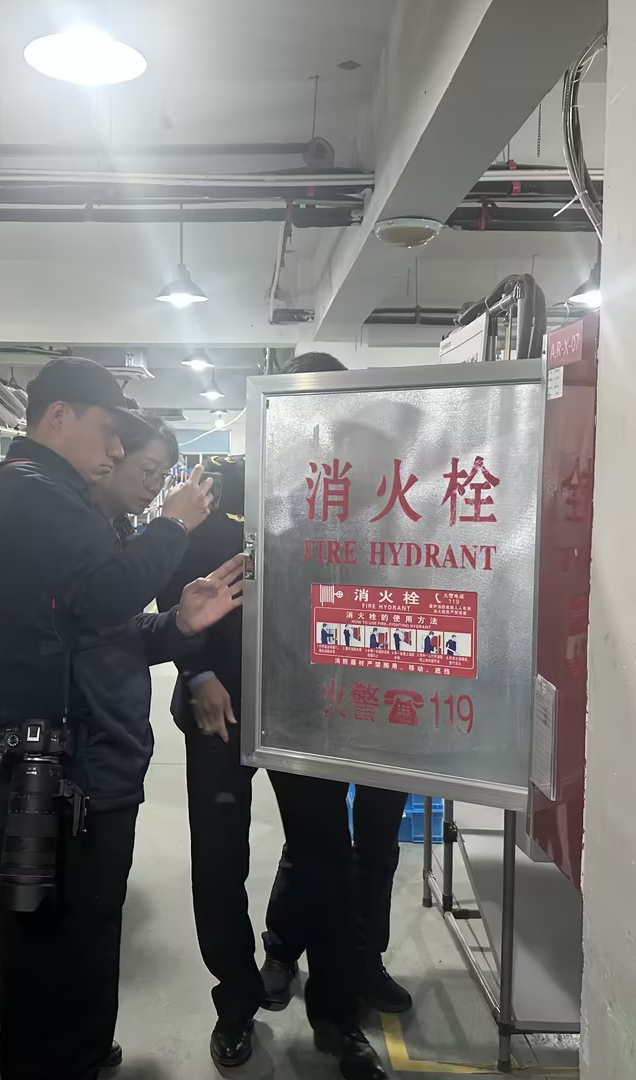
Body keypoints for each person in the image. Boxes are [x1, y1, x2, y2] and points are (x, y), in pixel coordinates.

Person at [0, 357, 244, 1080]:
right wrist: (172, 526)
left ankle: (80, 1051)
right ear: (60, 415)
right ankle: (55, 1061)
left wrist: (178, 623)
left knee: (79, 934)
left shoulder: (54, 498)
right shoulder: (28, 491)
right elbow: (109, 596)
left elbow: (100, 628)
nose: (117, 450)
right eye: (109, 431)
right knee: (52, 943)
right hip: (58, 775)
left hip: (77, 768)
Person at [160, 354, 391, 1080]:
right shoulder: (220, 488)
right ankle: (235, 1004)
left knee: (327, 856)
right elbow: (174, 593)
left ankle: (336, 1016)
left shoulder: (350, 495)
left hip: (308, 706)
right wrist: (197, 673)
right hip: (219, 708)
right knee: (219, 863)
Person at [258, 352, 415, 1022]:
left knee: (377, 843)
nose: (358, 454)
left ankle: (363, 959)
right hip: (309, 703)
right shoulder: (287, 509)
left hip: (385, 704)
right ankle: (282, 949)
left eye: (370, 443)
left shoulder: (407, 513)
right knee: (313, 840)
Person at [87, 413, 180, 538]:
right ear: (113, 457)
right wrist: (173, 526)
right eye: (148, 469)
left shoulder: (119, 524)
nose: (154, 487)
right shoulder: (75, 522)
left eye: (163, 475)